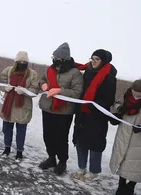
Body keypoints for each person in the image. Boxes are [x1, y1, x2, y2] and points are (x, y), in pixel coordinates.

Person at [38, 42, 83, 176]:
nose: (55, 59)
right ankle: (51, 157)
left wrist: (60, 90)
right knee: (48, 135)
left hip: (63, 111)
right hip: (47, 108)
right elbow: (41, 80)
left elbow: (77, 92)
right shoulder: (50, 69)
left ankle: (62, 161)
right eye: (54, 56)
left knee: (61, 137)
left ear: (64, 59)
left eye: (58, 57)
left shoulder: (75, 73)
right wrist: (44, 85)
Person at [72, 49, 117, 181]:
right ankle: (81, 167)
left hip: (97, 116)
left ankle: (94, 171)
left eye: (97, 59)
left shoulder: (109, 77)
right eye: (92, 58)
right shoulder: (88, 72)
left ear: (103, 61)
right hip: (83, 113)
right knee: (80, 141)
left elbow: (109, 99)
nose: (93, 61)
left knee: (95, 144)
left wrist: (94, 104)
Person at [0, 51, 39, 160]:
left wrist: (24, 91)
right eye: (19, 62)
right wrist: (5, 87)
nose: (22, 64)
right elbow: (0, 83)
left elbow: (35, 90)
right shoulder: (8, 71)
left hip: (23, 107)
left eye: (24, 62)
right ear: (15, 62)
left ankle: (19, 151)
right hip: (8, 105)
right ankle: (7, 148)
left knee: (21, 131)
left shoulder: (32, 74)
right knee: (7, 129)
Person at [109, 80, 141, 195]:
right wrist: (118, 111)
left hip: (138, 141)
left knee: (135, 164)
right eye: (134, 93)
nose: (136, 97)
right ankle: (121, 184)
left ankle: (131, 186)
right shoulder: (126, 96)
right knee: (122, 160)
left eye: (139, 95)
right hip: (123, 135)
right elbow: (117, 104)